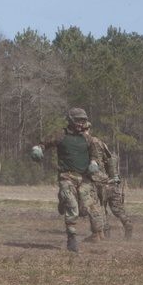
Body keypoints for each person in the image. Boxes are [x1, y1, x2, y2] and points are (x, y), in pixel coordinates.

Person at [31, 108, 105, 252]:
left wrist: (94, 164)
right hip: (67, 176)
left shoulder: (88, 139)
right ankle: (72, 238)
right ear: (70, 120)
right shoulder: (60, 134)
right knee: (73, 207)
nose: (80, 123)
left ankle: (62, 200)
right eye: (77, 120)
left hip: (83, 179)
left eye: (82, 120)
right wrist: (37, 150)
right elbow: (44, 143)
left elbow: (95, 155)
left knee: (84, 209)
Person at [84, 122, 133, 240]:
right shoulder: (108, 153)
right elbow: (111, 165)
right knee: (118, 208)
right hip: (112, 183)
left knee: (100, 208)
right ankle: (127, 223)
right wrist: (114, 180)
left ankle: (105, 234)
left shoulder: (87, 145)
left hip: (99, 182)